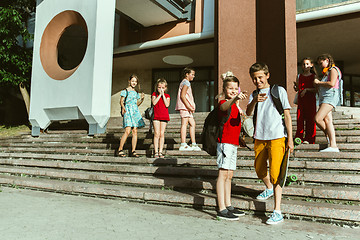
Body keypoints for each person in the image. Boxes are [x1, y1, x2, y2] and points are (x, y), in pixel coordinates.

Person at [246, 63, 294, 225]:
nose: (257, 81)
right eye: (254, 78)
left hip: (277, 137)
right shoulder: (254, 94)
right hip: (259, 137)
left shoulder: (278, 90)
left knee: (276, 174)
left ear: (267, 75)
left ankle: (277, 211)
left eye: (260, 77)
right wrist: (254, 101)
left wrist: (291, 139)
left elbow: (287, 116)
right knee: (259, 169)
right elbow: (248, 113)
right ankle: (268, 189)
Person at [216, 75, 248, 220]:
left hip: (233, 143)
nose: (233, 91)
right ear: (224, 89)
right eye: (230, 88)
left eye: (236, 88)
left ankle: (228, 205)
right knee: (222, 175)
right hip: (224, 143)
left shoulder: (236, 106)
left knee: (229, 175)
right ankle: (221, 208)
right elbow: (223, 107)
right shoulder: (224, 102)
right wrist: (235, 100)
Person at [314, 54, 341, 152]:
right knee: (328, 120)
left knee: (318, 118)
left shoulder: (333, 69)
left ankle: (331, 141)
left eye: (321, 63)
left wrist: (319, 83)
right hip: (325, 97)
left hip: (330, 97)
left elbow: (332, 83)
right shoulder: (326, 72)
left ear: (327, 60)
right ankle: (332, 144)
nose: (320, 65)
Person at [118, 74, 145, 157]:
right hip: (127, 111)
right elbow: (121, 101)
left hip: (135, 112)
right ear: (129, 81)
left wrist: (142, 99)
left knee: (135, 131)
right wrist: (123, 108)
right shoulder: (125, 91)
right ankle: (120, 149)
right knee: (127, 130)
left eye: (135, 81)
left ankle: (133, 151)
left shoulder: (136, 92)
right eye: (133, 81)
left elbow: (136, 104)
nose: (134, 83)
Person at [175, 67, 201, 151]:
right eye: (192, 74)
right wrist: (189, 106)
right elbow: (182, 96)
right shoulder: (186, 82)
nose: (193, 76)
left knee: (192, 124)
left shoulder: (186, 82)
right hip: (185, 107)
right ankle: (183, 144)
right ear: (187, 74)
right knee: (184, 124)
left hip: (187, 108)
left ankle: (193, 143)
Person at [294, 57, 317, 144]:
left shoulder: (313, 76)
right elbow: (297, 88)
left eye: (307, 64)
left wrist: (307, 89)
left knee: (310, 119)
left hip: (310, 100)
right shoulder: (299, 76)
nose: (305, 66)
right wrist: (296, 87)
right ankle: (299, 137)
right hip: (301, 100)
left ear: (311, 65)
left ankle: (309, 138)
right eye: (304, 64)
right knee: (300, 119)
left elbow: (316, 89)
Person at [152, 78, 171, 158]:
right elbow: (154, 103)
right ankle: (156, 151)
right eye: (159, 87)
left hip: (164, 116)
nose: (161, 89)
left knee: (162, 133)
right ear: (157, 87)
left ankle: (160, 151)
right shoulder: (154, 94)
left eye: (163, 88)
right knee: (156, 133)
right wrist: (159, 95)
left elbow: (167, 104)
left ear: (165, 88)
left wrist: (163, 95)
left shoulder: (167, 96)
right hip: (156, 116)